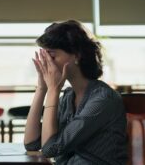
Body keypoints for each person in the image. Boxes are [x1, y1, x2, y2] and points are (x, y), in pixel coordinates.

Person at [24, 20, 128, 164]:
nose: (47, 63)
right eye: (45, 57)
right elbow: (31, 144)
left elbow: (50, 150)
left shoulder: (103, 99)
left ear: (77, 55)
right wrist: (42, 88)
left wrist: (54, 89)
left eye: (52, 56)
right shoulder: (68, 97)